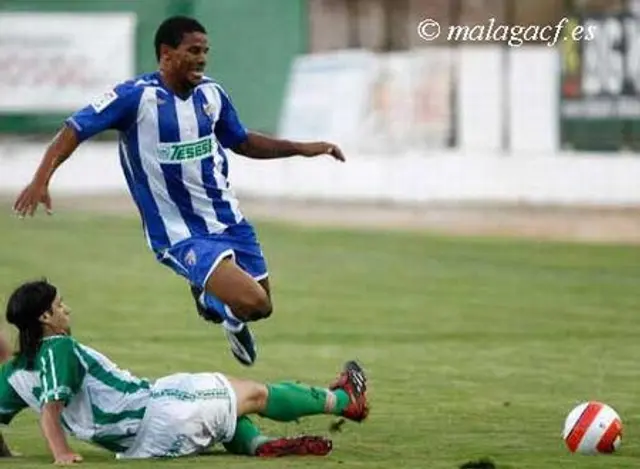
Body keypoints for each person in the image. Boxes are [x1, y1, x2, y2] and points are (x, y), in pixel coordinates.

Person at [12, 15, 346, 367]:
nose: (202, 58)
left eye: (205, 51)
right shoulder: (135, 98)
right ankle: (212, 298)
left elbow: (243, 141)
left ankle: (221, 311)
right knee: (253, 302)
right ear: (166, 54)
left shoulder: (211, 94)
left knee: (262, 306)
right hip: (178, 234)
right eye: (193, 51)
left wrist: (304, 148)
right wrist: (41, 179)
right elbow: (73, 129)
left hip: (226, 218)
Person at [0, 279, 369, 463]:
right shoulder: (58, 348)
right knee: (253, 393)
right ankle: (343, 400)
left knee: (226, 396)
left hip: (138, 433)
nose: (67, 310)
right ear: (45, 317)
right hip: (156, 414)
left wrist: (6, 455)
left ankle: (259, 445)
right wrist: (61, 454)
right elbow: (51, 412)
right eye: (60, 306)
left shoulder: (14, 372)